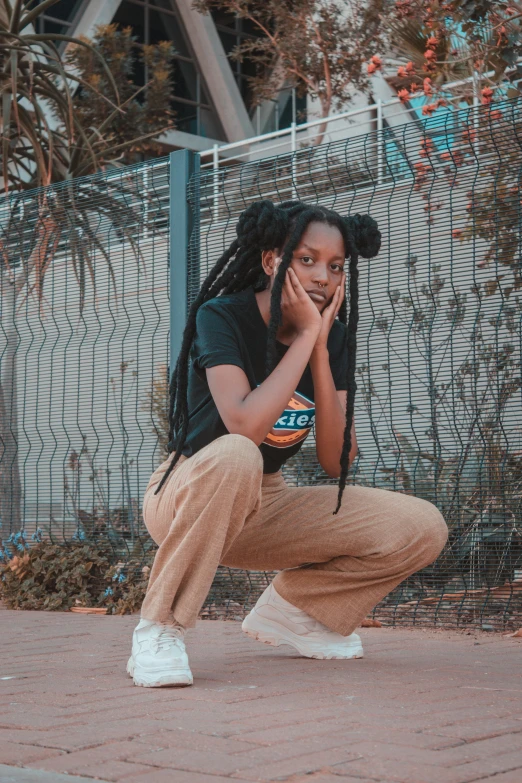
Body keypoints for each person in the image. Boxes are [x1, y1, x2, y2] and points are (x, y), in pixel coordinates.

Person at [127, 199, 448, 688]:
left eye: (336, 266)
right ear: (271, 261)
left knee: (422, 525)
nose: (323, 276)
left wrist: (320, 347)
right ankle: (158, 628)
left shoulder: (332, 339)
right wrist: (303, 340)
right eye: (307, 259)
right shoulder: (224, 316)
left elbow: (335, 461)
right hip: (188, 488)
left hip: (266, 499)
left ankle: (296, 611)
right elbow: (245, 427)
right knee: (238, 453)